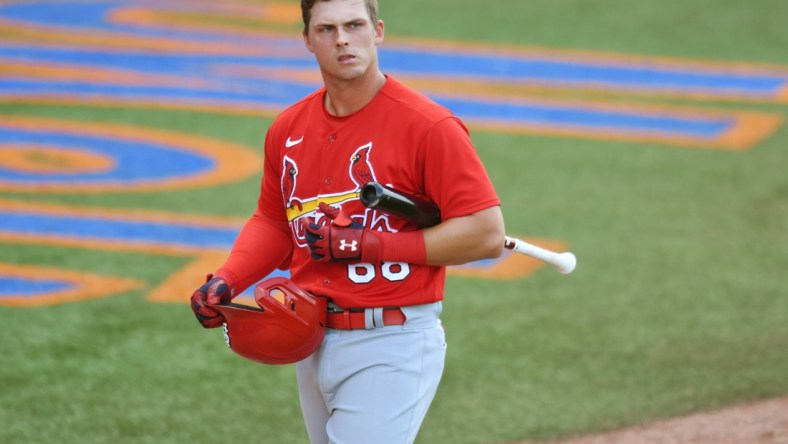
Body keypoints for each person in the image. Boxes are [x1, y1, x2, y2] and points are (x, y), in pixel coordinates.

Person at [190, 0, 505, 442]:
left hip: (391, 340)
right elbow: (276, 221)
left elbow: (487, 234)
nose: (342, 39)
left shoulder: (429, 126)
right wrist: (227, 278)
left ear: (377, 31)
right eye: (327, 29)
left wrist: (371, 245)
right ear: (307, 40)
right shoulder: (288, 129)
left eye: (354, 25)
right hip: (311, 338)